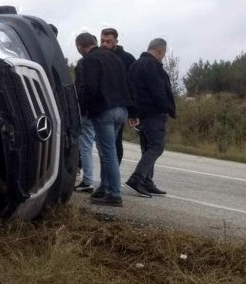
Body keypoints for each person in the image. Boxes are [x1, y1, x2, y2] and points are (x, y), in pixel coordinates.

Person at [75, 32, 137, 206]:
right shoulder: (114, 58)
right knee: (107, 151)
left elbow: (90, 87)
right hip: (121, 109)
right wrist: (133, 111)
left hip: (105, 110)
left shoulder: (89, 60)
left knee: (108, 153)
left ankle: (114, 194)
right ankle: (104, 187)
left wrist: (84, 108)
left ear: (80, 47)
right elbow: (128, 84)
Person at [125, 38, 176, 197]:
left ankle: (146, 181)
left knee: (147, 148)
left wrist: (133, 112)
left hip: (141, 113)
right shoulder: (152, 66)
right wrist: (166, 107)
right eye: (163, 53)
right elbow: (158, 90)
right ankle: (137, 178)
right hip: (153, 113)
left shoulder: (136, 65)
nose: (163, 56)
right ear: (160, 51)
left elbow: (131, 90)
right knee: (156, 146)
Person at [100, 28, 136, 166]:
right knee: (101, 143)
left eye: (108, 41)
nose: (104, 44)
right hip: (100, 106)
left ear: (116, 41)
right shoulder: (98, 56)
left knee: (114, 142)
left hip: (118, 107)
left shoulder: (127, 59)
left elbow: (133, 86)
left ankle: (113, 171)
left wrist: (133, 112)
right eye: (102, 41)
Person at [74, 58, 96, 194]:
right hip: (101, 110)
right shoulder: (108, 62)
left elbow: (80, 86)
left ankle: (87, 180)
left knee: (85, 146)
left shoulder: (84, 63)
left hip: (86, 111)